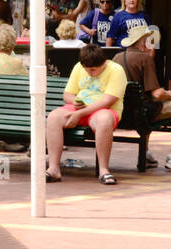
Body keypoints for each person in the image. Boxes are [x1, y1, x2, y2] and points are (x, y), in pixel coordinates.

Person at [114, 24, 171, 169]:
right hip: (142, 114)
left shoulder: (116, 57)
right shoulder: (145, 60)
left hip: (122, 111)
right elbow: (157, 93)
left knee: (146, 106)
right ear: (144, 42)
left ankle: (146, 153)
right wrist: (169, 94)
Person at [46, 43, 128, 184]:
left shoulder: (116, 70)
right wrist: (75, 101)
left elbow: (107, 102)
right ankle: (53, 169)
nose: (90, 73)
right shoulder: (79, 67)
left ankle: (104, 170)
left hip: (102, 110)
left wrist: (80, 114)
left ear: (103, 63)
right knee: (53, 117)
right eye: (87, 70)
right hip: (79, 108)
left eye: (94, 70)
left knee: (104, 120)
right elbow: (67, 94)